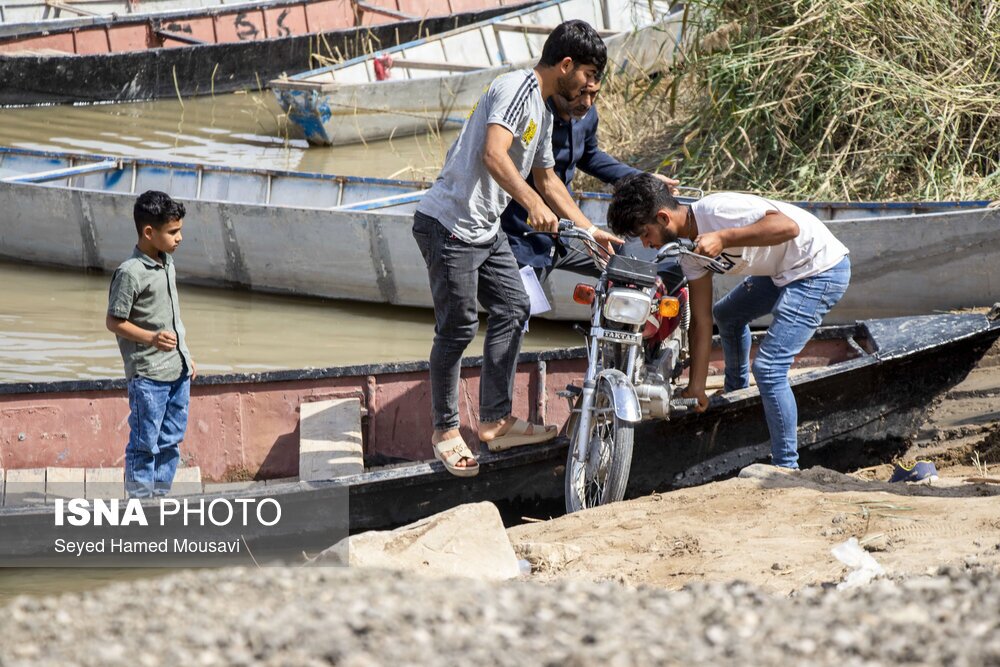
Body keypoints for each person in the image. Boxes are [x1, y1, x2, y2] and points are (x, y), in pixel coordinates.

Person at [413, 19, 621, 477]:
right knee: (458, 328)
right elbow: (493, 153)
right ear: (566, 65)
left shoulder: (543, 111)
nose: (589, 89)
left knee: (514, 305)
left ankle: (494, 420)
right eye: (588, 76)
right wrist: (532, 205)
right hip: (448, 225)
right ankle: (445, 430)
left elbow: (548, 180)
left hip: (485, 230)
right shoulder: (516, 87)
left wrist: (589, 230)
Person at [606, 173, 851, 469]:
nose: (647, 244)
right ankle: (737, 394)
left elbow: (788, 227)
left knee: (769, 368)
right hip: (781, 272)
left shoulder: (717, 211)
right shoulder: (689, 254)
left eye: (646, 234)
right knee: (727, 315)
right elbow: (701, 321)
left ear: (663, 218)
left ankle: (786, 466)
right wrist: (696, 387)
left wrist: (723, 238)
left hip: (819, 269)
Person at [501, 81, 678, 282]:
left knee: (625, 264)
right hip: (526, 234)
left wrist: (641, 179)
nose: (586, 102)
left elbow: (589, 155)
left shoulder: (584, 114)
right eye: (581, 92)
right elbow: (539, 179)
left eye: (594, 94)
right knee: (521, 300)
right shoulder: (536, 113)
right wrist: (589, 230)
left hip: (566, 233)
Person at [106, 190, 196, 498]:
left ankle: (159, 499)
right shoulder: (130, 273)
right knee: (145, 444)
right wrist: (152, 338)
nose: (179, 238)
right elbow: (114, 322)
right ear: (148, 232)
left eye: (179, 230)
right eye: (173, 232)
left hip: (177, 371)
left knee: (171, 441)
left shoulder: (167, 262)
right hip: (148, 376)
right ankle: (140, 505)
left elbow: (172, 317)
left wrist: (186, 355)